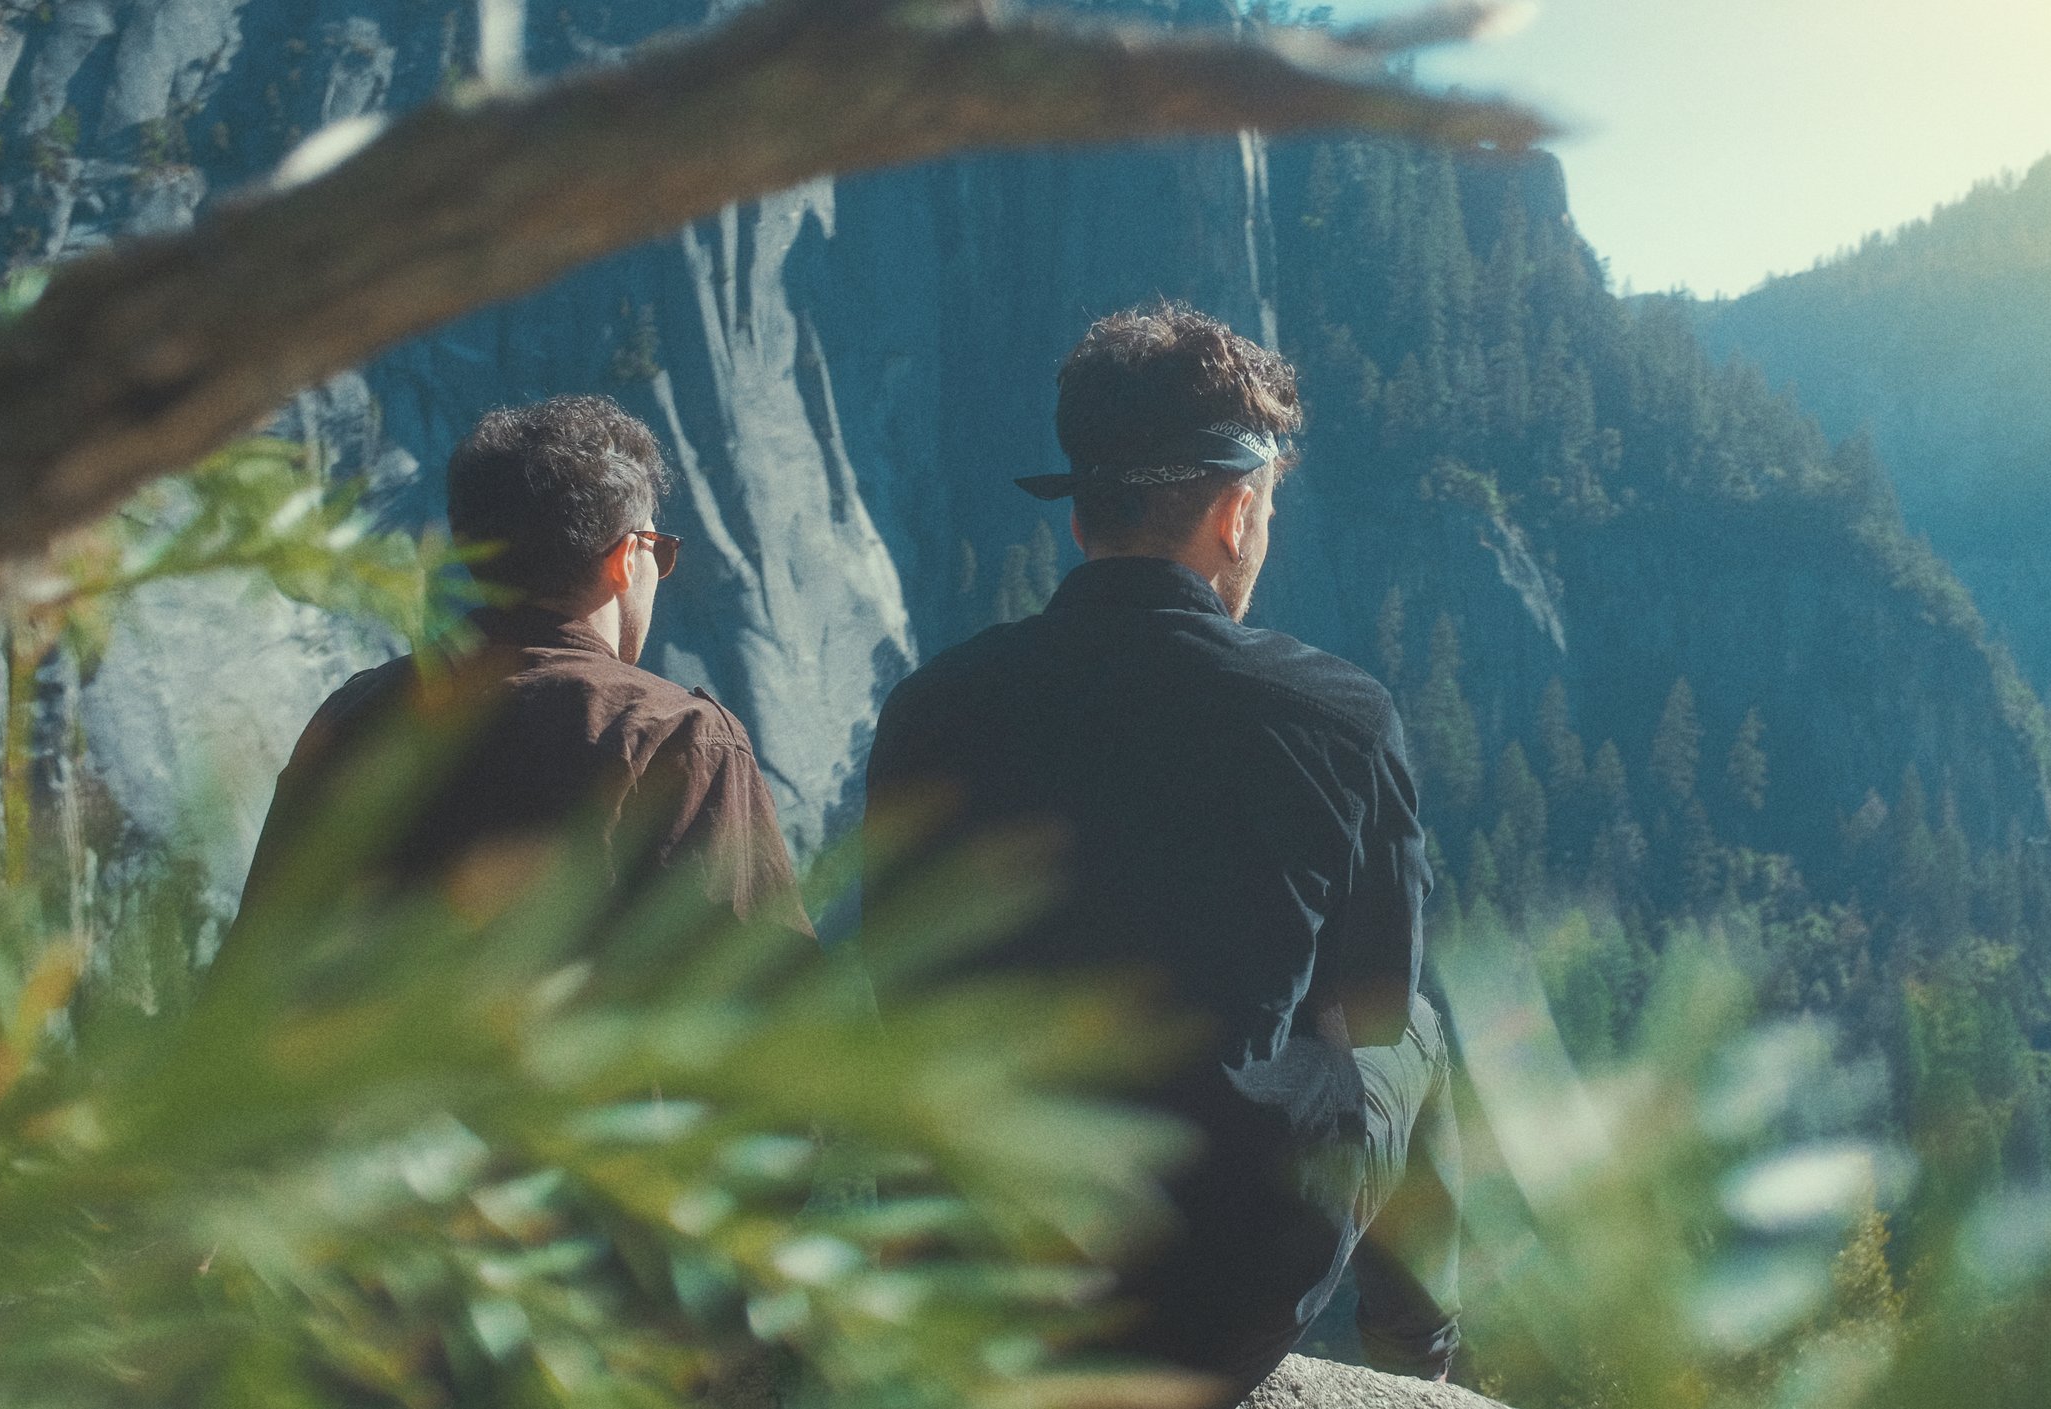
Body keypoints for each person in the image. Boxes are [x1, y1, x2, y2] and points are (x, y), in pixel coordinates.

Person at [864, 304, 1461, 1400]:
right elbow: (1370, 1005)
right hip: (1212, 1302)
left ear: (1084, 516)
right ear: (1237, 514)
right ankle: (1419, 1356)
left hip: (984, 1283)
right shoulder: (1336, 717)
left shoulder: (929, 710)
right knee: (1415, 1023)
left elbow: (900, 990)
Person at [236, 393, 807, 943]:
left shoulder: (356, 713)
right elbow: (767, 989)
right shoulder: (676, 735)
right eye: (660, 548)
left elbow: (251, 970)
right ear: (627, 557)